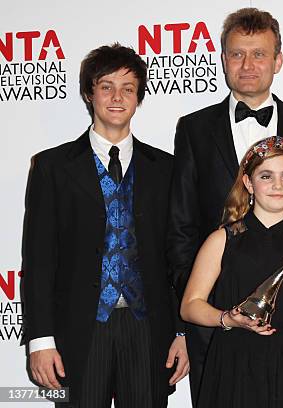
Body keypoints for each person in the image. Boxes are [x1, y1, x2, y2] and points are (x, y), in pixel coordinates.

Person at [167, 7, 283, 403]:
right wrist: (189, 328)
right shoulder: (194, 128)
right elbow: (181, 230)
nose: (248, 64)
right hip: (217, 335)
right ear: (223, 60)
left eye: (259, 54)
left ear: (277, 60)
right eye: (237, 53)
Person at [21, 43, 188, 407]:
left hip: (149, 330)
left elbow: (177, 256)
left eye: (128, 88)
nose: (117, 97)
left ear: (139, 97)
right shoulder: (52, 168)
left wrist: (182, 330)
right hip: (78, 330)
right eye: (106, 86)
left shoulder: (166, 168)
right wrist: (40, 340)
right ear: (88, 93)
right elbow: (39, 260)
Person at [180, 136, 283, 408]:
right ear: (248, 183)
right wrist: (227, 319)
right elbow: (189, 306)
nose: (278, 185)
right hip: (233, 365)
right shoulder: (222, 239)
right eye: (266, 176)